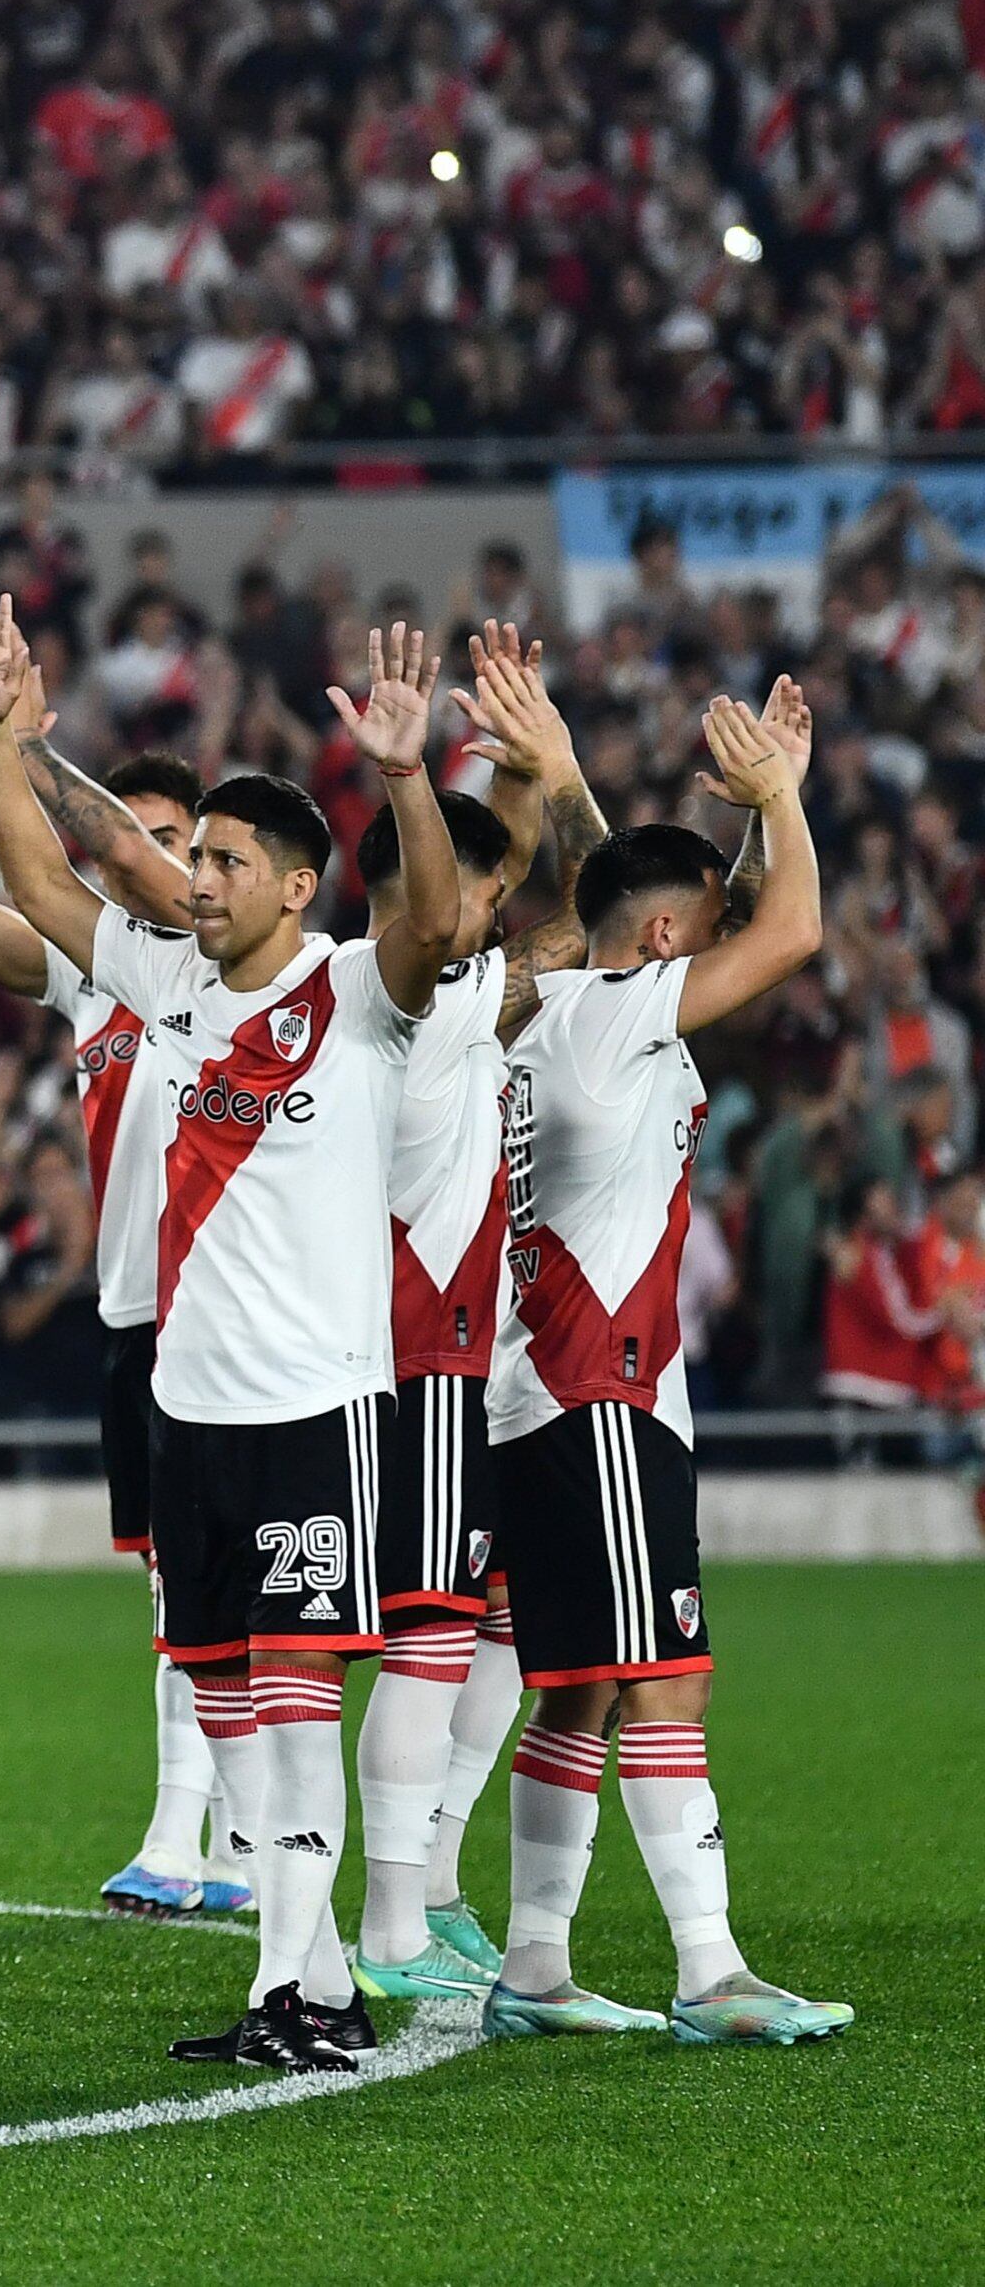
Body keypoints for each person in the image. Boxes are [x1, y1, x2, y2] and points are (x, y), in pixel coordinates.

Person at [0, 588, 460, 2074]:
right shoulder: (170, 977)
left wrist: (412, 776)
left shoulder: (357, 994)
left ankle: (301, 1984)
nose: (199, 877)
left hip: (316, 1403)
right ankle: (301, 1977)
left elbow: (428, 913)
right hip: (194, 1404)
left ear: (298, 883)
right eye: (197, 856)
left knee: (298, 1691)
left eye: (226, 860)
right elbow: (46, 884)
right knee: (227, 1687)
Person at [478, 690, 850, 2047]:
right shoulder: (624, 1013)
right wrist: (786, 797)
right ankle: (710, 1965)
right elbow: (791, 926)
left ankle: (532, 1960)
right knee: (664, 1676)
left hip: (542, 1394)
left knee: (574, 1679)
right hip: (604, 1395)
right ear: (659, 941)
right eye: (701, 928)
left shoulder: (566, 1012)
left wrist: (576, 772)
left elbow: (662, 890)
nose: (724, 938)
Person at [0, 684, 225, 1916]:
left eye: (159, 843)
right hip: (128, 1307)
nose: (128, 860)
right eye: (115, 835)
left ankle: (184, 1836)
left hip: (218, 1305)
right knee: (170, 1577)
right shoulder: (93, 973)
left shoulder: (222, 970)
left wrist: (18, 750)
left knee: (202, 1580)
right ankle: (229, 1840)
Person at [343, 626, 563, 2004]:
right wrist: (478, 775)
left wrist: (519, 769)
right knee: (428, 1627)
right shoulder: (412, 997)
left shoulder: (421, 984)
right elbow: (546, 910)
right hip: (418, 1347)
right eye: (484, 891)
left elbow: (521, 877)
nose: (501, 907)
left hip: (442, 1348)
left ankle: (422, 1883)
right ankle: (390, 1916)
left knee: (483, 1615)